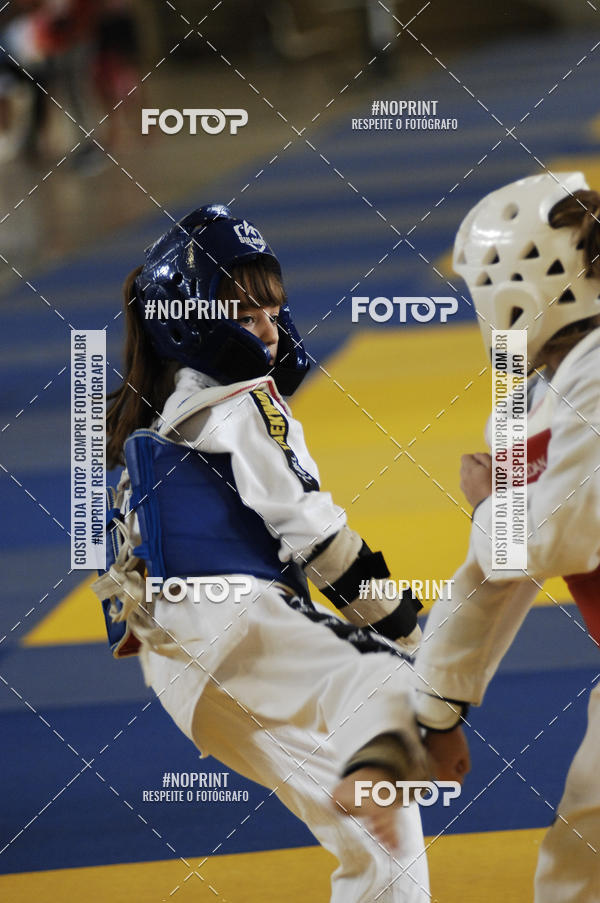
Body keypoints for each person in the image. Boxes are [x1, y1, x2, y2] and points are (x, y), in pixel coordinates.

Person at [93, 203, 431, 902]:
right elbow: (313, 531)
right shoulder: (246, 399)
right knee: (398, 703)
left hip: (183, 673)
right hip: (238, 626)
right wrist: (400, 621)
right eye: (250, 316)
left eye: (275, 311)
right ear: (194, 322)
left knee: (376, 818)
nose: (273, 331)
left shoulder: (157, 413)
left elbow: (122, 579)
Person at [415, 172, 600, 902]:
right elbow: (496, 571)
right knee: (578, 863)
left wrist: (493, 502)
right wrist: (436, 708)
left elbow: (558, 536)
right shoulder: (539, 403)